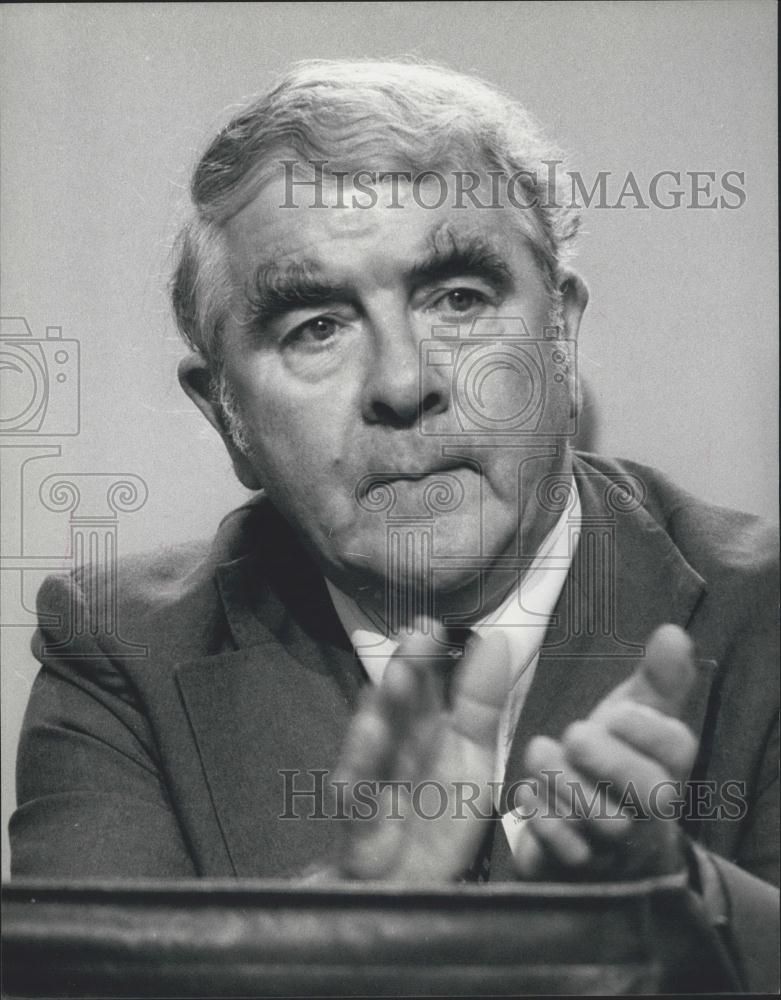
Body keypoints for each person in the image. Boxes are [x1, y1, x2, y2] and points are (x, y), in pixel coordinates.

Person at [10, 60, 778, 990]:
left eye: (457, 298)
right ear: (229, 419)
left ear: (562, 340)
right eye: (316, 327)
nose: (403, 384)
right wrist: (350, 926)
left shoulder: (765, 614)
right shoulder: (118, 653)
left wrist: (670, 906)